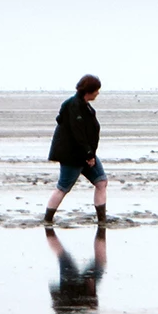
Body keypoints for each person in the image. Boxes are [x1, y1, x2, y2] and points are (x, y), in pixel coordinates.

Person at [43, 75, 109, 225]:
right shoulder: (73, 105)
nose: (98, 93)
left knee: (101, 182)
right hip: (72, 155)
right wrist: (88, 154)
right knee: (63, 188)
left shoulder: (86, 106)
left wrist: (90, 154)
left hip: (87, 154)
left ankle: (102, 220)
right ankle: (47, 219)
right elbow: (78, 133)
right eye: (96, 90)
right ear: (89, 91)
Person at [46, 223, 107, 314]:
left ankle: (48, 227)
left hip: (70, 293)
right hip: (69, 293)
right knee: (63, 256)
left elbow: (92, 301)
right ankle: (102, 226)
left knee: (99, 260)